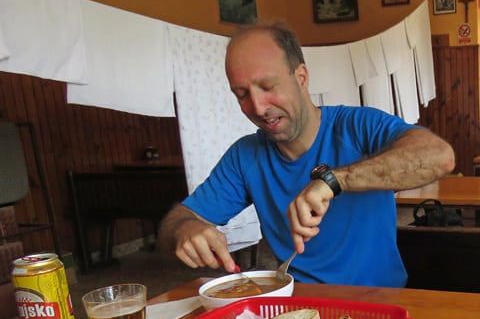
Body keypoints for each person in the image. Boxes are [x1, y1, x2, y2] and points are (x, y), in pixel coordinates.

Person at [159, 23, 455, 287]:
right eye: (242, 94)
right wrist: (186, 228)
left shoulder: (358, 126)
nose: (258, 107)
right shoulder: (244, 156)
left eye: (268, 86)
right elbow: (179, 218)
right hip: (300, 304)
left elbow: (439, 157)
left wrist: (332, 181)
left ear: (300, 77)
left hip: (381, 299)